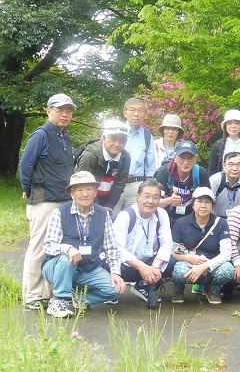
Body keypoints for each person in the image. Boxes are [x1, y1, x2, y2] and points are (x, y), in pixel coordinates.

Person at [41, 171, 126, 317]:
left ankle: (80, 299)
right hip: (58, 268)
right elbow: (48, 245)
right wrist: (68, 249)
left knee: (116, 289)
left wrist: (115, 272)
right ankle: (58, 301)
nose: (85, 194)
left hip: (88, 268)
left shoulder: (103, 214)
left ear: (95, 192)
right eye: (79, 190)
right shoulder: (59, 212)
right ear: (72, 194)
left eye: (89, 189)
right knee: (66, 258)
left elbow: (111, 247)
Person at [19, 93, 76, 310]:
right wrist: (29, 190)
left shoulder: (64, 137)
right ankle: (32, 295)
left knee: (55, 249)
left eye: (68, 111)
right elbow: (26, 166)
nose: (65, 114)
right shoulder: (41, 135)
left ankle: (47, 293)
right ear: (48, 111)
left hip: (62, 200)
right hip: (44, 201)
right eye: (60, 110)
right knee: (39, 247)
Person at [113, 179, 173, 309]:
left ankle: (143, 286)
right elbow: (117, 250)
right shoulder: (125, 216)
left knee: (171, 261)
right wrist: (141, 267)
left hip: (148, 262)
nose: (150, 201)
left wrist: (156, 266)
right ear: (137, 198)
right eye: (146, 196)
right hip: (126, 265)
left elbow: (167, 243)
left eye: (155, 197)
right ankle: (112, 289)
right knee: (111, 267)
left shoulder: (161, 214)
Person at [171, 187, 234, 304]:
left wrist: (205, 266)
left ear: (213, 205)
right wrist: (189, 258)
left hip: (211, 264)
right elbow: (173, 251)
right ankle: (178, 289)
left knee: (228, 270)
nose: (203, 206)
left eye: (207, 202)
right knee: (179, 271)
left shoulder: (221, 223)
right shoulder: (181, 222)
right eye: (199, 201)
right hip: (188, 264)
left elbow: (227, 253)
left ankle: (212, 290)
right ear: (193, 204)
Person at [74, 119, 131, 211]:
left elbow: (120, 184)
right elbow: (83, 185)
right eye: (113, 139)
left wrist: (110, 205)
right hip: (84, 200)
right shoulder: (89, 156)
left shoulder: (125, 157)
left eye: (121, 141)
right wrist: (97, 208)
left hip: (106, 199)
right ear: (104, 138)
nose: (117, 144)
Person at [115, 98, 157, 215]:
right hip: (115, 184)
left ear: (146, 114)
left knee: (134, 219)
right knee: (111, 219)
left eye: (140, 110)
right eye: (132, 110)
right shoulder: (115, 132)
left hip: (136, 186)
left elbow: (150, 167)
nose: (136, 114)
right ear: (125, 113)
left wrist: (148, 190)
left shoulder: (147, 136)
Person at [155, 140, 211, 223]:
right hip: (166, 218)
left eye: (190, 158)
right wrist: (170, 200)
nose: (186, 162)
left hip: (192, 219)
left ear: (196, 159)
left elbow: (209, 202)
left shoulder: (201, 174)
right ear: (175, 158)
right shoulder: (165, 172)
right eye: (182, 157)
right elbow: (155, 203)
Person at [208, 109, 240, 174]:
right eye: (229, 123)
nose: (233, 126)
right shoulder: (218, 145)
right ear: (225, 126)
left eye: (237, 123)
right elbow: (212, 170)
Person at [208, 152, 240, 218]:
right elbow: (209, 204)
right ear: (224, 165)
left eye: (239, 164)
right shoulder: (214, 180)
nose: (235, 168)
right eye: (231, 164)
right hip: (217, 219)